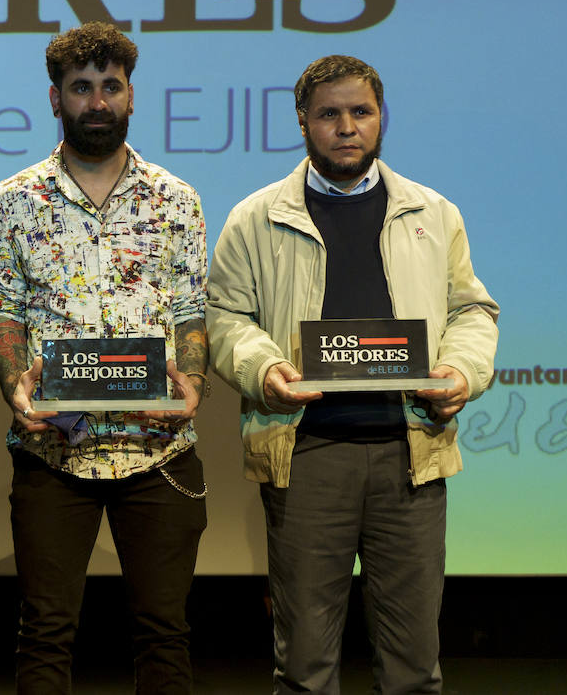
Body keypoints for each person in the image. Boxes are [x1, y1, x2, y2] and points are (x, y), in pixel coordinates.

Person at [206, 54, 498, 693]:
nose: (346, 127)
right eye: (329, 114)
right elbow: (224, 316)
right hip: (307, 454)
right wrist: (264, 368)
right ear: (303, 123)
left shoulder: (433, 212)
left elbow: (471, 310)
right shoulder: (256, 217)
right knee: (306, 668)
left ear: (380, 118)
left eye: (360, 112)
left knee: (415, 668)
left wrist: (460, 371)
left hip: (411, 453)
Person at [0, 22, 210, 694]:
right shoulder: (15, 199)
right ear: (56, 99)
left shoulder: (177, 199)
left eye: (110, 87)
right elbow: (4, 307)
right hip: (56, 448)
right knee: (46, 631)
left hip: (158, 445)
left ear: (131, 96)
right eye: (82, 88)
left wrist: (191, 382)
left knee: (165, 632)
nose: (98, 102)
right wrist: (15, 390)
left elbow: (192, 309)